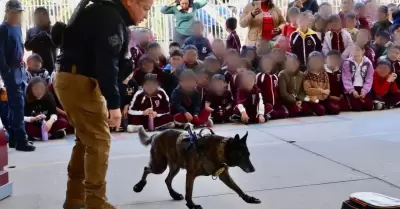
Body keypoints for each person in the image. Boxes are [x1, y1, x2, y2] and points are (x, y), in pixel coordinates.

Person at [51, 0, 153, 207]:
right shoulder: (109, 16)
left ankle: (75, 197)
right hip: (79, 81)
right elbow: (107, 63)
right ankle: (96, 203)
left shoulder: (101, 9)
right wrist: (114, 105)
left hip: (71, 79)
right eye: (145, 8)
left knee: (86, 140)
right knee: (98, 141)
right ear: (130, 2)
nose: (145, 16)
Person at [0, 0, 35, 151]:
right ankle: (21, 140)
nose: (16, 15)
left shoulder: (18, 27)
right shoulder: (4, 29)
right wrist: (6, 71)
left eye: (18, 13)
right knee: (17, 107)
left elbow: (19, 46)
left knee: (18, 106)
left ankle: (15, 138)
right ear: (7, 13)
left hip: (19, 70)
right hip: (11, 72)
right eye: (13, 13)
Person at [341, 44, 374, 111]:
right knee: (357, 108)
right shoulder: (347, 63)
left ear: (363, 51)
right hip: (352, 88)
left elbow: (369, 78)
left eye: (357, 50)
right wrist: (352, 91)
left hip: (363, 88)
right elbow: (346, 79)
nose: (355, 52)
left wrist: (365, 90)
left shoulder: (368, 63)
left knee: (369, 107)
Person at [24, 7, 57, 74]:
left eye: (42, 16)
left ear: (47, 17)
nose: (40, 19)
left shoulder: (53, 29)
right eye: (38, 16)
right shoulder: (31, 31)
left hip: (51, 66)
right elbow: (27, 47)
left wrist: (49, 37)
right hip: (36, 67)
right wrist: (37, 38)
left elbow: (58, 44)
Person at [303, 52, 332, 116]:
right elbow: (308, 91)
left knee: (335, 109)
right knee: (320, 111)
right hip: (312, 99)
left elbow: (327, 91)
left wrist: (321, 96)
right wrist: (321, 91)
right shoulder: (306, 74)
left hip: (323, 98)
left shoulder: (325, 74)